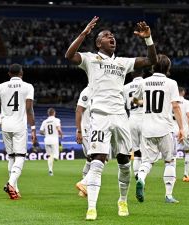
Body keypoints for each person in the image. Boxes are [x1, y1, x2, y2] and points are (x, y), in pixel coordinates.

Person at [65, 17, 157, 220]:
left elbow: (152, 61)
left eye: (112, 36)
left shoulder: (123, 63)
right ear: (99, 43)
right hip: (99, 117)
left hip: (121, 117)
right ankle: (91, 208)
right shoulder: (90, 59)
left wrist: (148, 39)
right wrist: (84, 33)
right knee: (97, 161)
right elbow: (69, 55)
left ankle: (122, 200)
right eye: (106, 36)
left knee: (124, 162)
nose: (111, 37)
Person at [133, 54, 184, 204]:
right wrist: (182, 128)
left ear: (153, 66)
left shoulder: (144, 82)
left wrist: (145, 102)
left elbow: (135, 100)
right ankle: (168, 195)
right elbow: (175, 106)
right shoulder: (171, 83)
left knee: (147, 161)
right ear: (168, 68)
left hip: (147, 128)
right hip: (165, 128)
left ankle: (141, 178)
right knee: (169, 161)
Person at [0, 64, 37, 200]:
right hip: (19, 125)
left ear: (9, 74)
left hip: (5, 125)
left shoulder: (1, 86)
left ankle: (15, 189)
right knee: (20, 157)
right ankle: (10, 184)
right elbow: (29, 109)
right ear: (22, 73)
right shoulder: (28, 87)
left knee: (11, 157)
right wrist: (33, 128)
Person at [123, 69, 146, 179]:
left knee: (136, 152)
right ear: (143, 73)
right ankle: (142, 176)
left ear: (132, 75)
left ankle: (137, 176)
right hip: (144, 118)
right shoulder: (146, 83)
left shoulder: (125, 87)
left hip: (131, 119)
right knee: (145, 152)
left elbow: (122, 106)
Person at [173, 87, 189, 182]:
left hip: (173, 130)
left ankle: (171, 175)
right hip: (184, 130)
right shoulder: (187, 102)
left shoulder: (171, 102)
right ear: (183, 92)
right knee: (188, 152)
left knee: (173, 154)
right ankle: (186, 175)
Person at [75, 85, 91, 197]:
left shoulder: (101, 89)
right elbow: (78, 110)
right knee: (100, 159)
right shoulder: (87, 91)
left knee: (91, 159)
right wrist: (79, 131)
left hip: (95, 130)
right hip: (88, 131)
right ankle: (83, 183)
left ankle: (83, 188)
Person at [40, 108, 63, 176]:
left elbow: (41, 131)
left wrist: (46, 134)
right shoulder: (57, 120)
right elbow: (58, 129)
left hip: (47, 140)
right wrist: (61, 134)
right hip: (54, 139)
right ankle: (55, 157)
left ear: (48, 113)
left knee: (49, 156)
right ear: (54, 113)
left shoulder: (45, 121)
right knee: (56, 154)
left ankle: (50, 170)